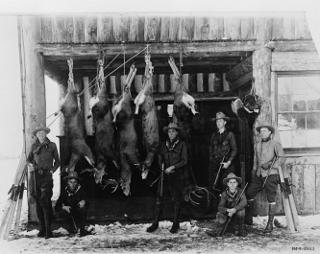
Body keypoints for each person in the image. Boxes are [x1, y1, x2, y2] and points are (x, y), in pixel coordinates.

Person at [146, 122, 190, 234]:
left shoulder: (182, 144)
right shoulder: (163, 144)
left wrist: (173, 167)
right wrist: (161, 162)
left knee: (176, 199)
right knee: (159, 199)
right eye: (169, 131)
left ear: (177, 133)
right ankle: (155, 223)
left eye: (173, 131)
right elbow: (160, 155)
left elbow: (185, 161)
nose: (171, 133)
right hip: (164, 175)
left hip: (177, 175)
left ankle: (176, 224)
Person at [246, 124, 285, 232]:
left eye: (265, 131)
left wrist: (270, 165)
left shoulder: (275, 144)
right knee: (249, 193)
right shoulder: (257, 145)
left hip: (271, 174)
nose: (262, 133)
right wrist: (253, 172)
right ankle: (249, 219)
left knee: (271, 198)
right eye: (261, 131)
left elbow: (282, 158)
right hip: (259, 175)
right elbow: (255, 160)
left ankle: (269, 224)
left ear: (270, 133)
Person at [27, 126, 60, 239]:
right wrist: (31, 165)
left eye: (43, 133)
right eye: (39, 133)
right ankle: (42, 229)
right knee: (38, 202)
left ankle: (48, 230)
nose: (41, 135)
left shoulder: (52, 145)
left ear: (46, 134)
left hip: (46, 176)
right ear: (36, 135)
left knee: (45, 201)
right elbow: (29, 159)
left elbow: (58, 161)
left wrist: (52, 170)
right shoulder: (34, 146)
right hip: (35, 176)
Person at [208, 172, 247, 237]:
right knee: (219, 215)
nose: (232, 184)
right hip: (227, 215)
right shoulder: (224, 194)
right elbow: (220, 207)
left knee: (241, 212)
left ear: (237, 183)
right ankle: (218, 231)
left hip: (236, 214)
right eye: (230, 182)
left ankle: (240, 230)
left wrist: (235, 209)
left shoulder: (240, 192)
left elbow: (244, 202)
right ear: (227, 184)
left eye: (234, 182)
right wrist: (227, 210)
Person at [55, 171, 91, 237]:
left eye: (75, 182)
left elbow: (88, 202)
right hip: (69, 216)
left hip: (78, 214)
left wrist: (84, 201)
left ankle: (81, 229)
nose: (73, 184)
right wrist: (64, 207)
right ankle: (71, 229)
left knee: (83, 208)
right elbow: (57, 207)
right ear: (67, 183)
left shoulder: (81, 191)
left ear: (77, 183)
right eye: (71, 182)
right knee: (62, 212)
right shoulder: (65, 192)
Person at [209, 112, 237, 191]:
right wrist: (212, 160)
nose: (218, 123)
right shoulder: (214, 135)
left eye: (220, 121)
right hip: (215, 165)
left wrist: (228, 162)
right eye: (217, 121)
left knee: (226, 187)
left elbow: (234, 150)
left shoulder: (230, 134)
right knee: (213, 186)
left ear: (225, 122)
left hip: (226, 165)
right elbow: (210, 149)